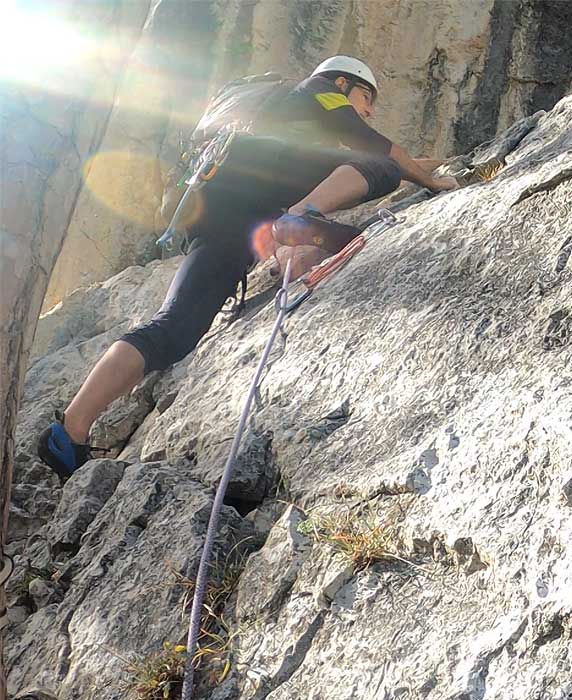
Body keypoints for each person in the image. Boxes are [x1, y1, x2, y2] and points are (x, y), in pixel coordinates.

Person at [37, 56, 457, 478]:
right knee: (382, 165)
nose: (368, 110)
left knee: (175, 328)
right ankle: (301, 216)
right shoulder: (320, 91)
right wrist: (431, 181)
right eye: (366, 98)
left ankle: (69, 432)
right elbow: (375, 149)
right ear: (343, 83)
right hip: (264, 176)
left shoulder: (270, 113)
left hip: (218, 207)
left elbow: (380, 161)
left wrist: (429, 164)